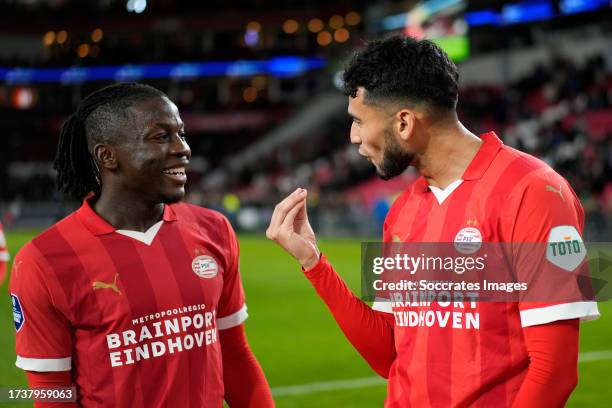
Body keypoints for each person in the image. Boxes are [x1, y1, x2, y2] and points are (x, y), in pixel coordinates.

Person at [266, 35, 600, 407]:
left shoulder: (534, 192)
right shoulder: (401, 212)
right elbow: (388, 355)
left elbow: (554, 371)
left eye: (359, 121)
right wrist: (313, 262)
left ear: (405, 122)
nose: (354, 137)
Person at [10, 83, 273, 407]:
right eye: (161, 137)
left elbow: (234, 355)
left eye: (181, 134)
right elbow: (51, 392)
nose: (183, 148)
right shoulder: (43, 261)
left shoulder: (214, 229)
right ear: (108, 156)